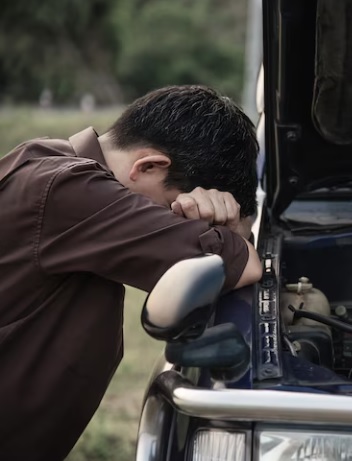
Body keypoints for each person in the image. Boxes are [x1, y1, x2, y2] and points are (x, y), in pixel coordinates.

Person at [0, 85, 263, 460]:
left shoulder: (47, 162)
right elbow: (243, 264)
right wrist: (231, 232)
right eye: (177, 211)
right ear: (148, 166)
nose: (172, 225)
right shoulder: (70, 191)